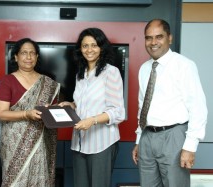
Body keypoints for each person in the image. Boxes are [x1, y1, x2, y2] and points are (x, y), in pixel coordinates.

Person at [132, 19, 207, 187]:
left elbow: (198, 108)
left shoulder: (184, 65)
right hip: (147, 136)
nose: (153, 42)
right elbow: (142, 106)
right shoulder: (144, 68)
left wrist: (190, 146)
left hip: (174, 136)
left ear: (170, 38)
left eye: (159, 37)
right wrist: (139, 140)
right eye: (148, 38)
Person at [58, 28, 125, 187]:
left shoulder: (111, 72)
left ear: (101, 47)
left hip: (102, 143)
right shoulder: (81, 74)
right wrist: (71, 105)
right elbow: (85, 104)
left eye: (94, 45)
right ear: (80, 49)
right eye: (85, 46)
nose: (89, 50)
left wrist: (92, 120)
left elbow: (118, 112)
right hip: (80, 142)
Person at [0, 38, 60, 187]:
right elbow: (1, 113)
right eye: (24, 53)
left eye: (32, 53)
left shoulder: (48, 83)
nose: (29, 57)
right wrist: (27, 114)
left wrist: (65, 107)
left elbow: (52, 114)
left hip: (41, 142)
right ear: (16, 57)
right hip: (14, 145)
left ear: (37, 57)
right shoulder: (7, 81)